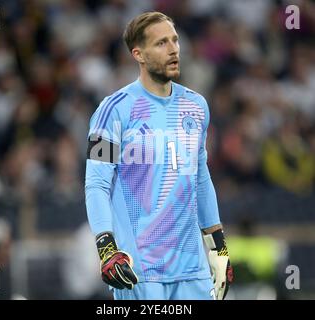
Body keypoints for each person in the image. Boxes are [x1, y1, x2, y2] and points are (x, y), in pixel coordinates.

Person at [85, 11, 233, 300]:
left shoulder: (196, 106)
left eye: (175, 40)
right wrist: (107, 249)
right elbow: (97, 184)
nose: (174, 49)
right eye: (161, 43)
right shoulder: (112, 111)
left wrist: (219, 248)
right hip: (140, 271)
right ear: (138, 54)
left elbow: (201, 178)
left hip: (194, 270)